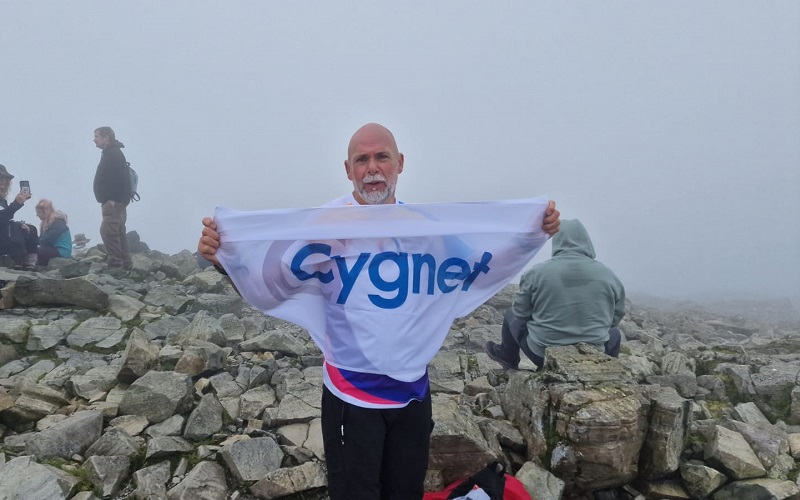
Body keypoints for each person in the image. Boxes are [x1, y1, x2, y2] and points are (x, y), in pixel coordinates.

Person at [198, 123, 561, 499]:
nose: (372, 168)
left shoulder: (425, 228)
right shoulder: (325, 226)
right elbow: (272, 281)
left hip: (413, 396)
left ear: (400, 163)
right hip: (352, 399)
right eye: (362, 159)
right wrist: (226, 258)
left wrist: (531, 235)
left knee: (404, 492)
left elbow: (477, 266)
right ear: (348, 169)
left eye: (381, 157)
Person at [485, 218, 625, 371]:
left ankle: (508, 357)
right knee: (614, 334)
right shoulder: (609, 276)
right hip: (594, 353)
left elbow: (521, 312)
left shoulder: (536, 273)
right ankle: (608, 368)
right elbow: (614, 319)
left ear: (557, 241)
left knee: (511, 315)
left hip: (543, 355)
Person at [92, 126, 132, 270]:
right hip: (116, 201)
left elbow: (119, 179)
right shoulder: (112, 153)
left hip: (113, 203)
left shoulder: (114, 154)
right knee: (118, 231)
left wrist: (113, 199)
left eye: (96, 136)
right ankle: (126, 264)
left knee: (108, 231)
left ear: (106, 138)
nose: (94, 139)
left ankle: (116, 264)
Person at [0, 164, 39, 270]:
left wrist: (18, 225)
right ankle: (20, 264)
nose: (2, 180)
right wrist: (16, 204)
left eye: (4, 178)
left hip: (5, 237)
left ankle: (29, 265)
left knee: (31, 229)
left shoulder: (2, 200)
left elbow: (5, 218)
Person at [35, 199, 72, 266]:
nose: (37, 215)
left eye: (39, 212)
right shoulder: (47, 223)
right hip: (54, 248)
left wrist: (34, 241)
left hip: (62, 250)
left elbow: (49, 239)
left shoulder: (57, 222)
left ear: (45, 212)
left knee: (35, 251)